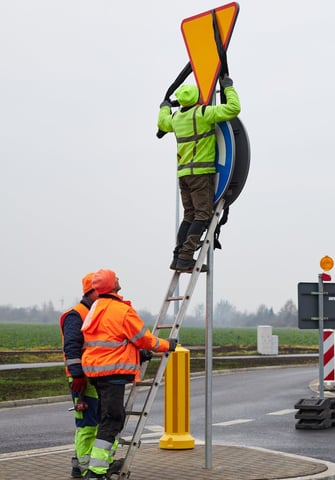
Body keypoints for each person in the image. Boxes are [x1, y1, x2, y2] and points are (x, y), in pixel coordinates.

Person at [81, 269, 175, 479]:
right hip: (112, 372)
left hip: (96, 371)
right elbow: (145, 339)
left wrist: (137, 354)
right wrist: (168, 345)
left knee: (110, 417)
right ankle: (96, 471)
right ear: (112, 284)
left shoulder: (97, 307)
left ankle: (104, 464)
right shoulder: (121, 310)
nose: (119, 280)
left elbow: (112, 340)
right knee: (113, 419)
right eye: (117, 278)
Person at [157, 76, 241, 272]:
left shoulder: (176, 119)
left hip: (184, 174)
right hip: (201, 173)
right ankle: (186, 257)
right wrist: (228, 88)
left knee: (189, 216)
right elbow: (233, 109)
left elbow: (162, 123)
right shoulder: (203, 113)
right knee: (202, 216)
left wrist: (164, 106)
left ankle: (178, 257)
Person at [60, 272, 100, 478]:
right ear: (91, 291)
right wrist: (77, 376)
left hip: (93, 376)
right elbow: (72, 347)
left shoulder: (94, 312)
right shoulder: (77, 315)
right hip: (82, 379)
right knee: (87, 424)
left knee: (94, 422)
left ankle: (79, 465)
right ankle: (84, 469)